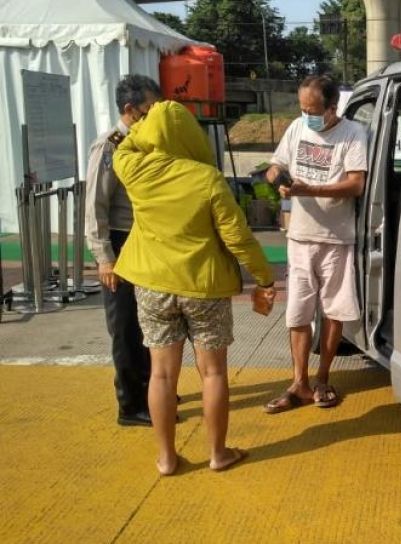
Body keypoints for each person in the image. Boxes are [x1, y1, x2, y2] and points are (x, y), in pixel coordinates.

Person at [112, 100, 277, 475]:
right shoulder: (207, 179)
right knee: (214, 373)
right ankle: (218, 454)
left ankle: (167, 458)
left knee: (161, 374)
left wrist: (144, 126)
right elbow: (238, 238)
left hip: (154, 284)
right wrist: (264, 280)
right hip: (204, 288)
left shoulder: (135, 170)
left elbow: (123, 144)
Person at [263, 75, 368, 413]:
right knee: (298, 313)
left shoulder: (353, 134)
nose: (306, 114)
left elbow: (355, 185)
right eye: (303, 108)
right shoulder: (297, 128)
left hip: (336, 239)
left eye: (312, 109)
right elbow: (274, 165)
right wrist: (278, 178)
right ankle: (299, 382)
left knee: (333, 311)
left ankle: (323, 378)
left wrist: (311, 190)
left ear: (333, 107)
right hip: (299, 238)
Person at [85, 74, 159, 427]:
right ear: (130, 110)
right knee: (126, 326)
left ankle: (151, 389)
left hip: (144, 240)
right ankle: (131, 404)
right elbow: (95, 206)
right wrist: (104, 258)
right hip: (120, 240)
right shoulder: (110, 145)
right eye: (149, 109)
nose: (154, 115)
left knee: (149, 321)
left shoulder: (146, 141)